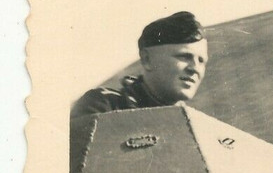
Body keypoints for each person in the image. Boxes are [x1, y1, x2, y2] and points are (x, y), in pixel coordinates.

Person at [70, 11, 208, 119]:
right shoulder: (104, 106)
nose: (195, 68)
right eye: (184, 57)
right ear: (147, 60)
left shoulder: (197, 123)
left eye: (201, 61)